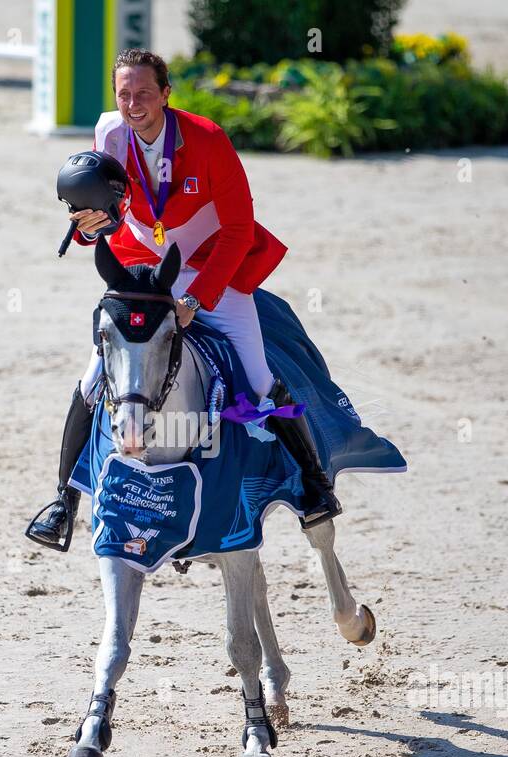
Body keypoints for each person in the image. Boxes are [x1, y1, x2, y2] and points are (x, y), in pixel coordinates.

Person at [25, 48, 341, 553]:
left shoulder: (208, 139)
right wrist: (87, 228)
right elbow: (109, 216)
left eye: (144, 93)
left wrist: (196, 299)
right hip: (145, 275)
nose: (134, 104)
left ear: (166, 94)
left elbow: (238, 230)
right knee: (91, 381)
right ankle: (63, 501)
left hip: (209, 266)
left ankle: (314, 487)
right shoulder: (109, 134)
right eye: (124, 94)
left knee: (259, 379)